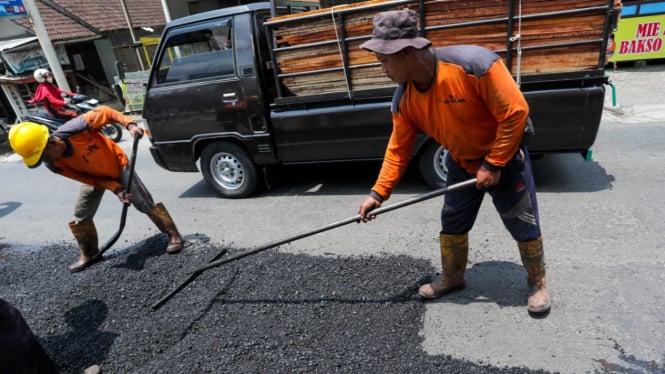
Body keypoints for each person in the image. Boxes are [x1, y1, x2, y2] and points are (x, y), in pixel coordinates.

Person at [356, 9, 550, 314]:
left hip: (505, 159)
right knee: (452, 224)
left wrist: (495, 163)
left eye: (383, 60)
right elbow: (398, 150)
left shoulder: (474, 65)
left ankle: (537, 283)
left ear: (406, 51)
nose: (382, 69)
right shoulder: (404, 98)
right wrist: (377, 193)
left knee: (522, 222)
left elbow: (516, 112)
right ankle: (453, 277)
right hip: (462, 163)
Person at [8, 106, 184, 273]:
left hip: (118, 165)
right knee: (81, 213)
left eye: (43, 155)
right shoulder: (54, 164)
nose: (44, 161)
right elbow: (87, 179)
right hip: (95, 177)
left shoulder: (77, 128)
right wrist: (115, 188)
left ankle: (173, 234)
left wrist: (130, 125)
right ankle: (90, 252)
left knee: (143, 202)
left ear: (51, 142)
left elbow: (107, 112)